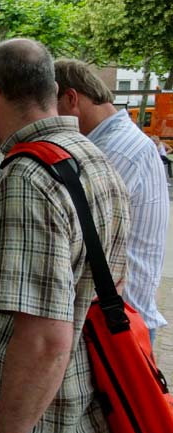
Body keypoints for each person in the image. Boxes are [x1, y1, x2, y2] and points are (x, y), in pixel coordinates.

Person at [0, 38, 128, 433]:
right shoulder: (95, 158)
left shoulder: (28, 182)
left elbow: (45, 341)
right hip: (72, 410)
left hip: (33, 432)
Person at [55, 59, 169, 345]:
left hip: (116, 330)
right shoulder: (114, 144)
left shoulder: (113, 153)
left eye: (49, 109)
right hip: (116, 320)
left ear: (71, 99)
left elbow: (73, 237)